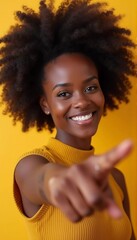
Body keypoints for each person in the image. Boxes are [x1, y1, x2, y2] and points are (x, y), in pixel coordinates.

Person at [0, 0, 136, 239]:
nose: (82, 101)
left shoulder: (116, 178)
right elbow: (44, 180)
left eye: (91, 87)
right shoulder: (31, 166)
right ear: (45, 104)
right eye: (64, 94)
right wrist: (60, 180)